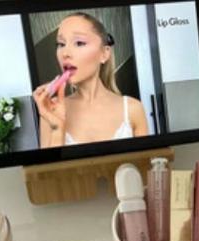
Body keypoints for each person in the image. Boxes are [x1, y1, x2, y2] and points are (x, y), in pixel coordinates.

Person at [33, 12, 149, 148]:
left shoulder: (133, 109)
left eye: (79, 43)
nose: (65, 53)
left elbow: (146, 161)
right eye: (61, 44)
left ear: (104, 53)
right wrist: (57, 128)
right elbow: (50, 163)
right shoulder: (50, 111)